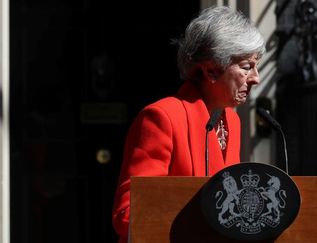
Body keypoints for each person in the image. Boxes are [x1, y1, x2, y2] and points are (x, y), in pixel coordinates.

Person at [111, 5, 266, 243]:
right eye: (246, 67)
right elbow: (129, 214)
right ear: (212, 70)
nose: (256, 78)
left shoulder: (231, 121)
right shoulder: (162, 118)